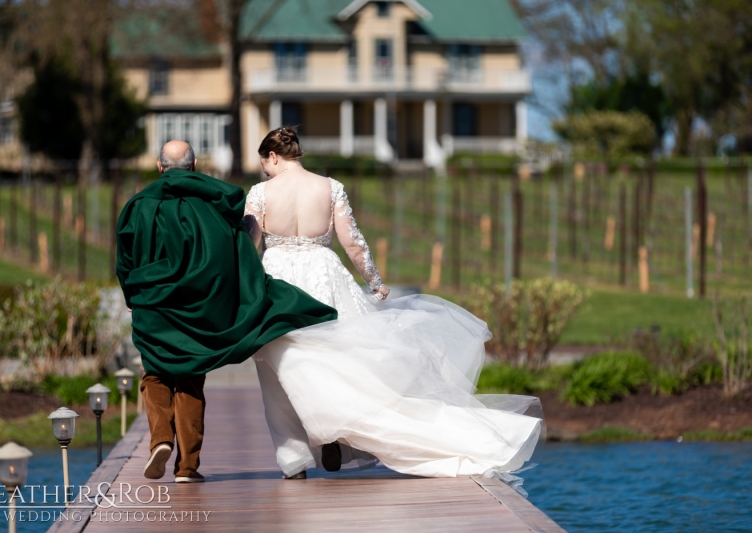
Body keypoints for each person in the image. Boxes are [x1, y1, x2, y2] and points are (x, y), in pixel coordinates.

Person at [244, 127, 544, 493]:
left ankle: (293, 463)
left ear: (272, 157)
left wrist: (242, 283)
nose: (265, 172)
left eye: (265, 165)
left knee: (280, 370)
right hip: (325, 277)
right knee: (343, 364)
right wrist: (374, 281)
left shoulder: (260, 194)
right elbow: (353, 242)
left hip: (279, 282)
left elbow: (250, 241)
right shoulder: (329, 186)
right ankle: (334, 435)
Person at [116, 140, 337, 483]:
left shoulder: (137, 206)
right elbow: (232, 253)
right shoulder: (212, 207)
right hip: (195, 307)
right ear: (193, 167)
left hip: (152, 302)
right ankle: (187, 468)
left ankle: (160, 438)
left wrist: (134, 296)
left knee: (155, 373)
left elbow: (125, 261)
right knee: (189, 378)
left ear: (159, 168)